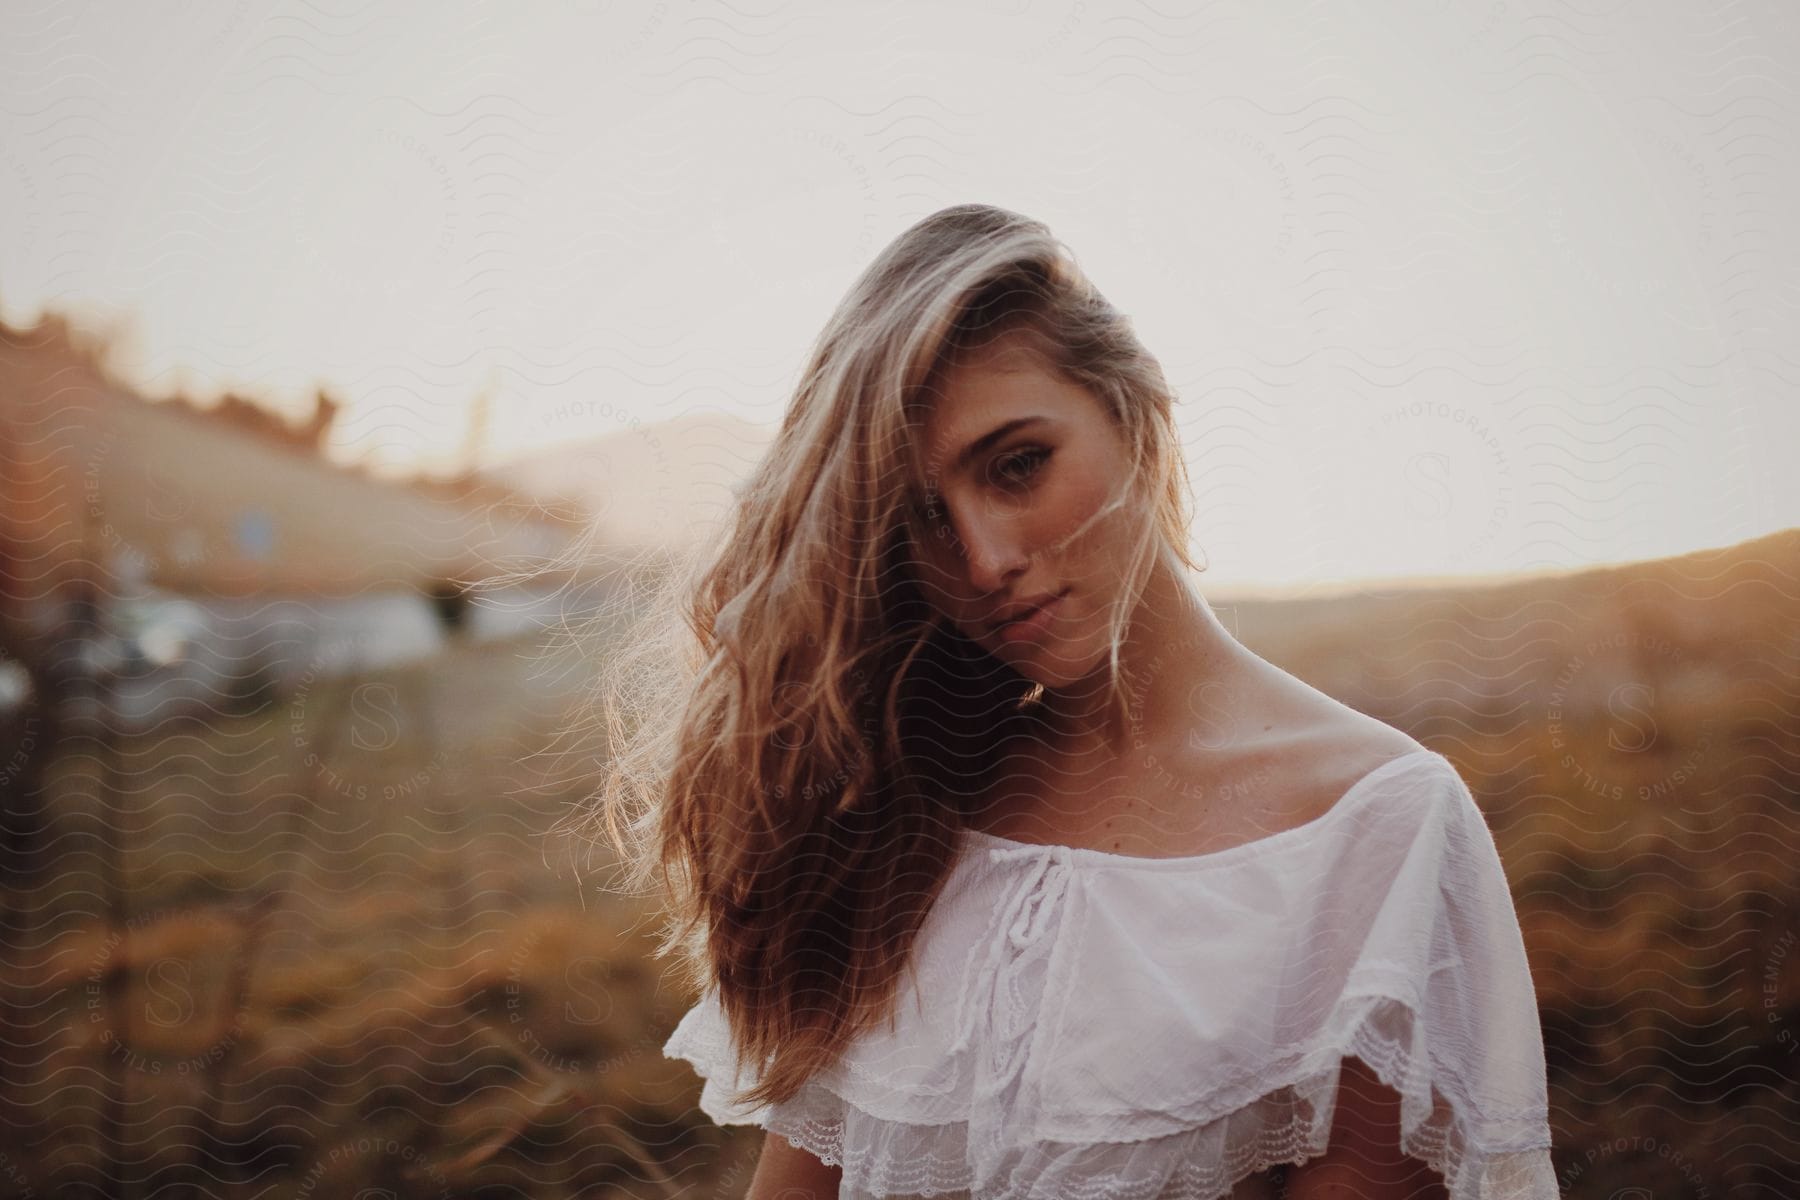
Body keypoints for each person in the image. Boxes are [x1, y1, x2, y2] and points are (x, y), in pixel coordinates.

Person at [566, 203, 1559, 1199]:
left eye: (1019, 464)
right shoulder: (909, 798)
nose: (987, 560)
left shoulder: (1373, 825)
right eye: (924, 517)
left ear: (1136, 415)